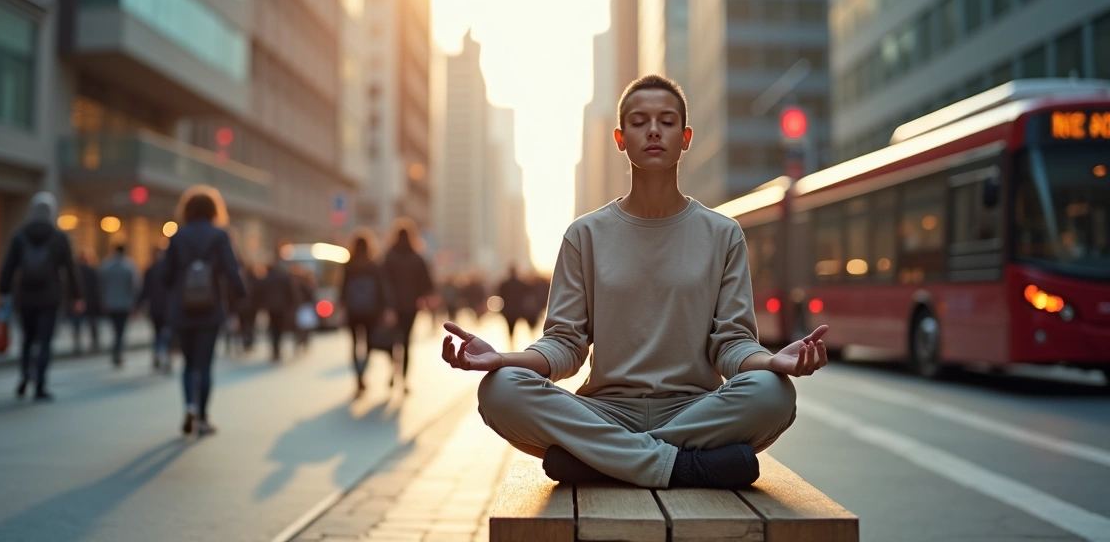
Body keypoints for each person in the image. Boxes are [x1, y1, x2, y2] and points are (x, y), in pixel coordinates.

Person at [441, 74, 829, 489]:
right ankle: (683, 467)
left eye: (667, 121)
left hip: (695, 411)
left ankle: (601, 459)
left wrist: (772, 363)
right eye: (640, 122)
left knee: (773, 393)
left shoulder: (723, 233)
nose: (654, 130)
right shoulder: (584, 235)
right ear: (621, 138)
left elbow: (731, 344)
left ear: (685, 137)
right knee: (499, 390)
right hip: (605, 411)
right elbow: (565, 345)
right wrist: (502, 360)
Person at [161, 185, 245, 437]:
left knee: (188, 364)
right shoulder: (220, 236)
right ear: (214, 210)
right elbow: (232, 270)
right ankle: (204, 417)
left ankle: (190, 406)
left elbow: (165, 275)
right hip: (210, 308)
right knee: (205, 364)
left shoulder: (177, 235)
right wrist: (241, 296)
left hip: (183, 308)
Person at [0, 192, 83, 401]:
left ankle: (25, 374)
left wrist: (3, 291)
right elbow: (70, 268)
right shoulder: (59, 237)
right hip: (50, 298)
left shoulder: (20, 235)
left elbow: (8, 266)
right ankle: (40, 385)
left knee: (27, 340)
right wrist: (77, 296)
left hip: (25, 297)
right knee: (45, 342)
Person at [339, 229, 394, 398]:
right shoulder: (374, 265)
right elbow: (383, 288)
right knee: (369, 344)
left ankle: (359, 377)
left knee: (355, 344)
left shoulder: (349, 265)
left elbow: (342, 288)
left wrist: (342, 307)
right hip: (371, 311)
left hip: (353, 311)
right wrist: (387, 308)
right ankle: (364, 371)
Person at [382, 218, 435, 392]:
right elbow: (427, 283)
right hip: (411, 307)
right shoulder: (417, 258)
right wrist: (424, 299)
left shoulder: (389, 257)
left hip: (392, 307)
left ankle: (393, 369)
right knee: (406, 343)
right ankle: (403, 379)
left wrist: (386, 306)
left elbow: (382, 282)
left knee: (392, 341)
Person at [99, 245, 138, 368]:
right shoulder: (129, 266)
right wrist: (134, 304)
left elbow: (101, 284)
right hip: (125, 304)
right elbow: (134, 286)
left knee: (115, 329)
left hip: (111, 303)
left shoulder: (107, 265)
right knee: (121, 330)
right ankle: (118, 352)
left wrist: (103, 300)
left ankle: (116, 351)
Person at [257, 257, 297, 362]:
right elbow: (291, 291)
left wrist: (261, 305)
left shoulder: (267, 277)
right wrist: (291, 304)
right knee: (279, 327)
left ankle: (275, 348)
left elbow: (260, 292)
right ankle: (277, 347)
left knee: (273, 327)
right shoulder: (284, 276)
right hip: (282, 307)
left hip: (271, 307)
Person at [137, 248, 171, 372]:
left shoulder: (150, 270)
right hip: (167, 307)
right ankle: (164, 354)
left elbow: (144, 290)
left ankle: (158, 352)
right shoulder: (169, 269)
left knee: (157, 332)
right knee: (166, 333)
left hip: (155, 307)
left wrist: (139, 304)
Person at [69, 251, 102, 354]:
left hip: (79, 301)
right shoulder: (91, 271)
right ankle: (94, 344)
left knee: (78, 325)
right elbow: (96, 288)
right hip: (88, 301)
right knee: (90, 324)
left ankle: (78, 345)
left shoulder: (76, 271)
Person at [495, 265, 529, 350]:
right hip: (517, 309)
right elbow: (525, 295)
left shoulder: (504, 284)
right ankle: (512, 340)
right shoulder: (521, 284)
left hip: (507, 310)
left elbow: (499, 294)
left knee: (509, 326)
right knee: (514, 326)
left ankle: (511, 340)